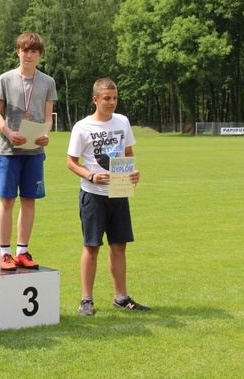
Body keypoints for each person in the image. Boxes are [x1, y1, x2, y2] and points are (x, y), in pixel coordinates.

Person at [66, 77, 150, 316]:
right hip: (93, 195)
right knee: (91, 246)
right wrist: (91, 176)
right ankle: (86, 300)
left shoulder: (122, 121)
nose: (112, 103)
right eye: (106, 98)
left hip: (119, 193)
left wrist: (133, 173)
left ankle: (121, 297)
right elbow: (71, 163)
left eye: (114, 98)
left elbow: (128, 153)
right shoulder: (82, 127)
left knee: (119, 245)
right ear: (95, 99)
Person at [0, 33, 57, 271]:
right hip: (9, 150)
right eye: (24, 50)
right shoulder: (5, 79)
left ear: (40, 55)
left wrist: (46, 134)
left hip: (34, 151)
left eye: (33, 51)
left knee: (29, 201)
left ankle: (22, 251)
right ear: (17, 51)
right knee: (7, 200)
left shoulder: (48, 82)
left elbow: (48, 117)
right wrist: (8, 132)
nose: (28, 55)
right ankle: (4, 252)